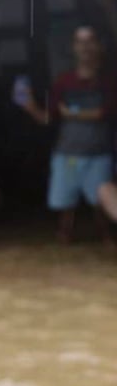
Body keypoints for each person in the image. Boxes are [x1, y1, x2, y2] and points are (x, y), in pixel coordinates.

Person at [17, 25, 116, 244]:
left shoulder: (109, 81)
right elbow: (49, 117)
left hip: (99, 152)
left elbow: (104, 113)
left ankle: (106, 237)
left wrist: (71, 112)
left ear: (99, 46)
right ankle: (65, 236)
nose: (85, 47)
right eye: (80, 41)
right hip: (68, 152)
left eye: (90, 40)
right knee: (65, 203)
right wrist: (30, 105)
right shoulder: (63, 81)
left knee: (101, 200)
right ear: (73, 47)